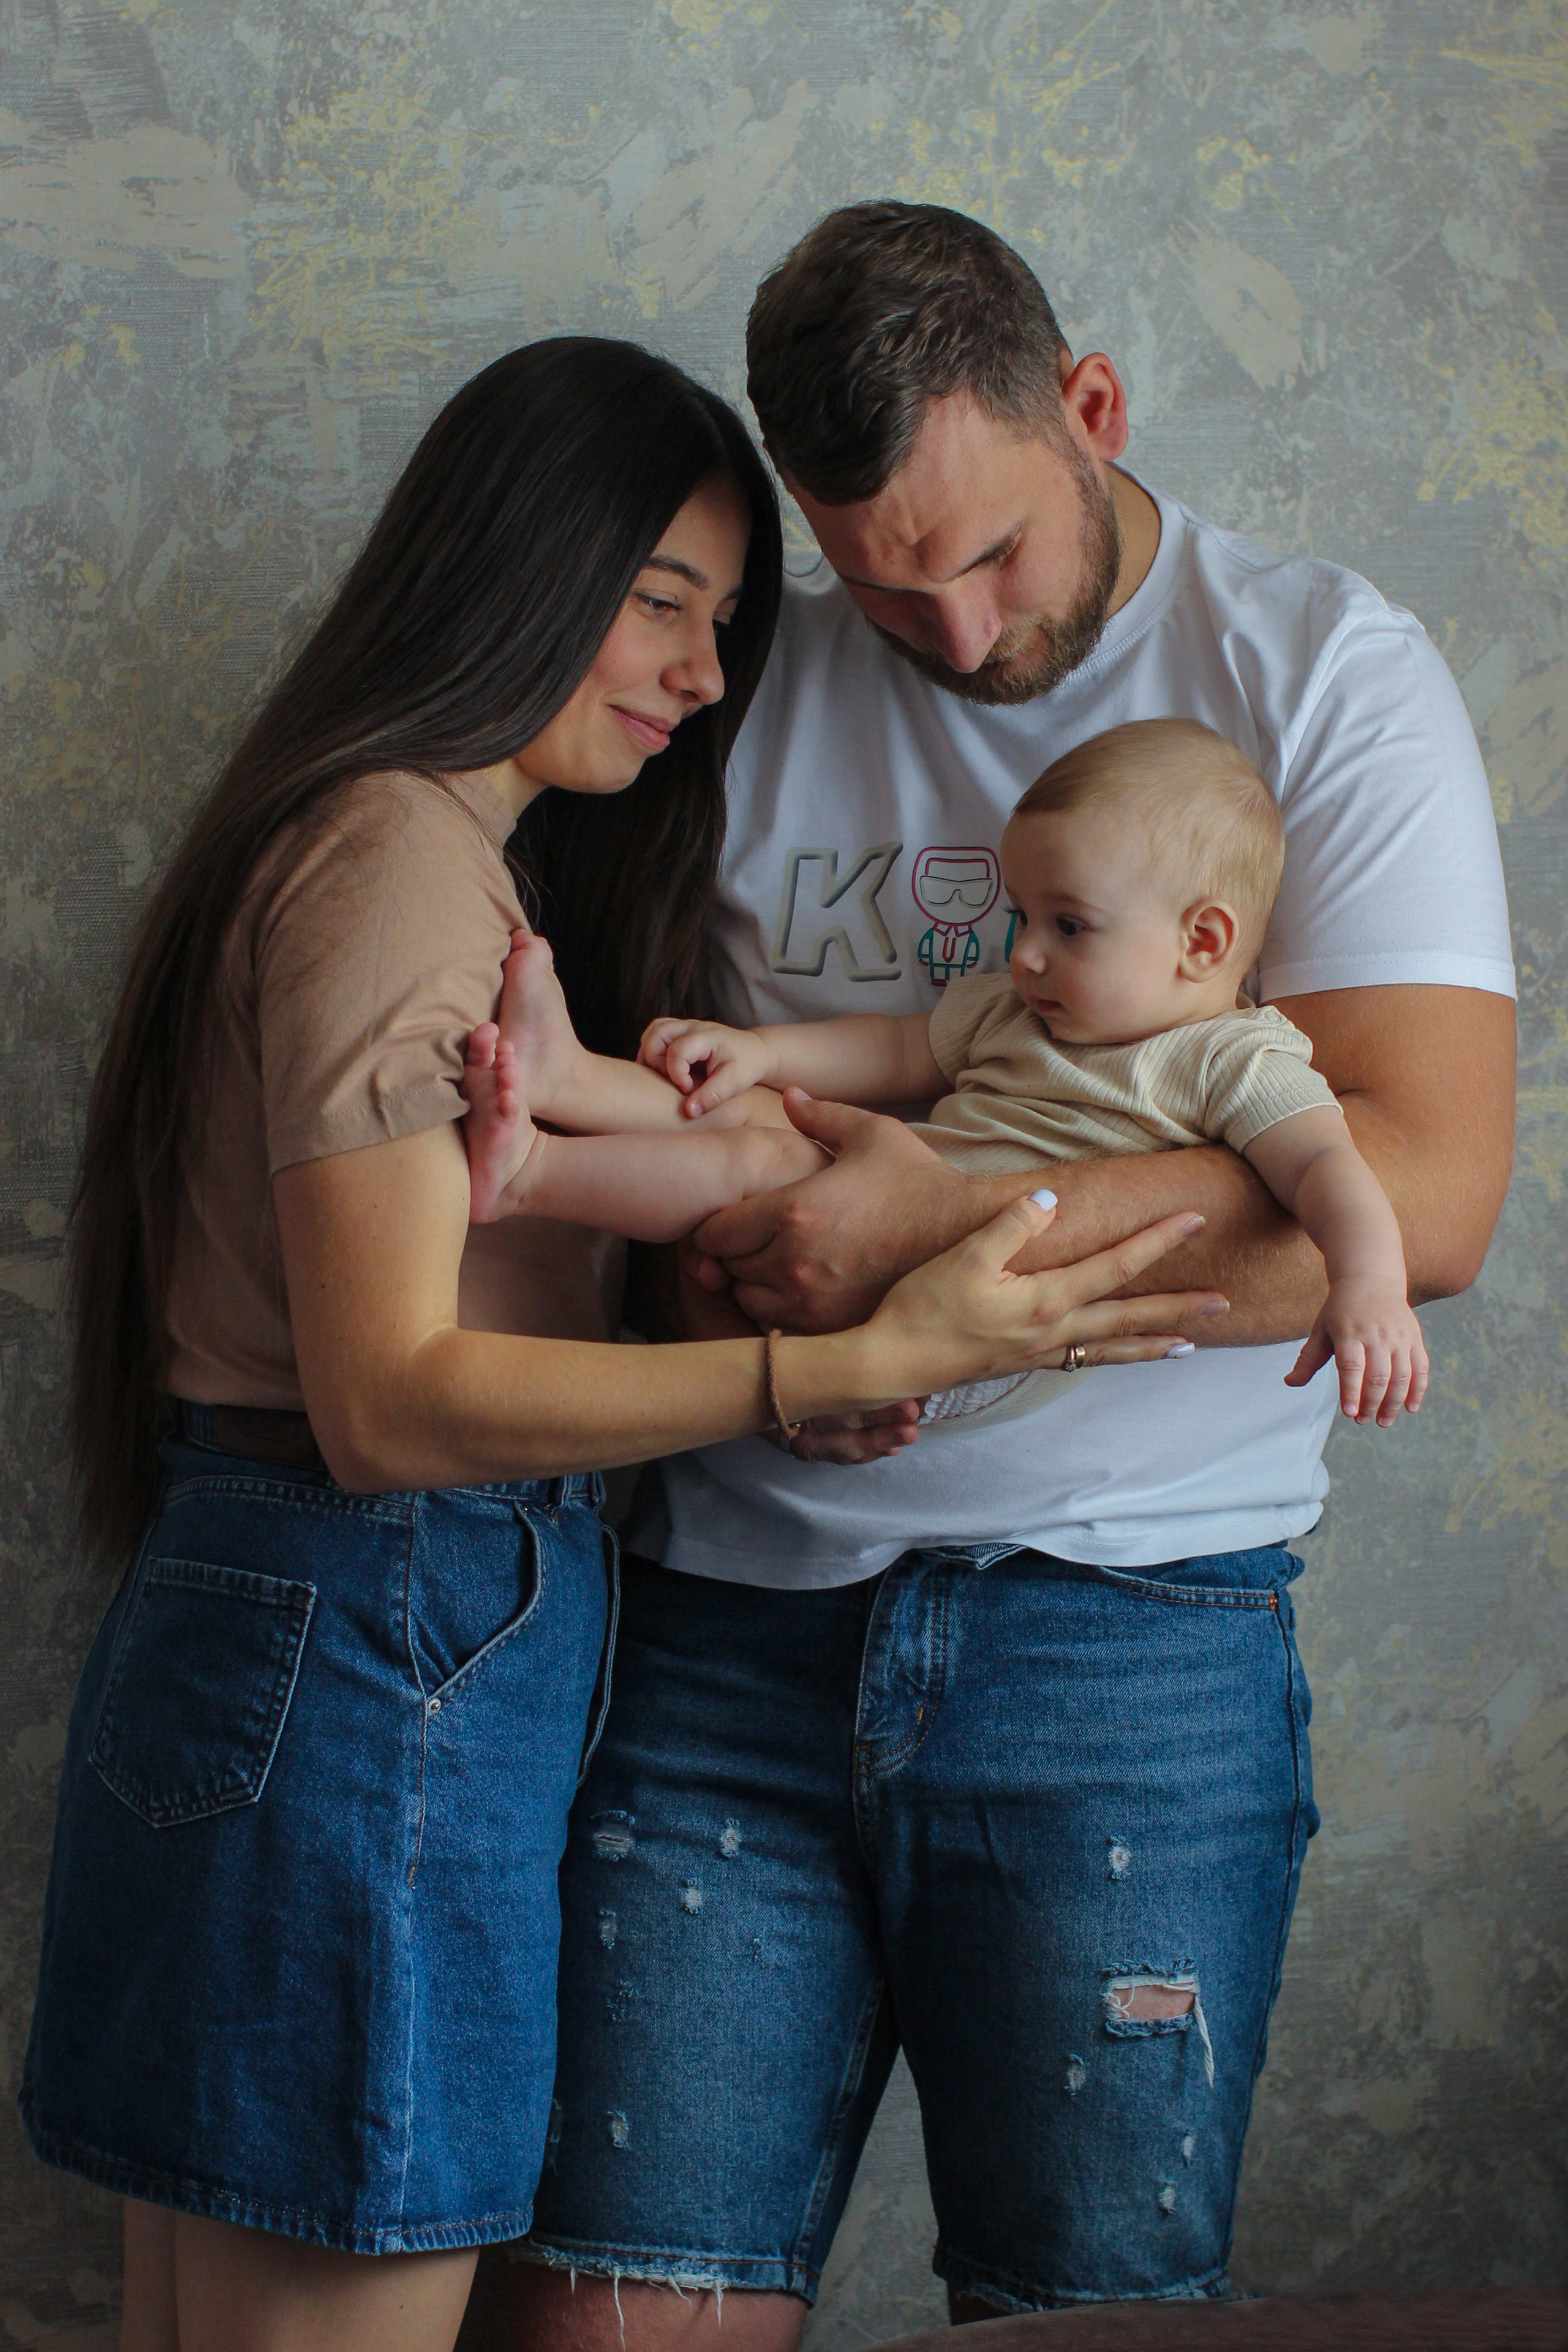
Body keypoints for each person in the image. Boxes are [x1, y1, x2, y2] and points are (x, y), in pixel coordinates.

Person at [21, 335, 1213, 2352]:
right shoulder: (401, 861)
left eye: (726, 623)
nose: (699, 672)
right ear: (509, 559)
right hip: (368, 1636)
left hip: (322, 1638)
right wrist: (804, 1373)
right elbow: (393, 1402)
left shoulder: (421, 862)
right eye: (659, 599)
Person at [489, 207, 1516, 2345]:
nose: (946, 633)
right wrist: (764, 1313)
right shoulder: (735, 676)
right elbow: (689, 1190)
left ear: (1095, 413)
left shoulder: (1318, 675)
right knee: (613, 2319)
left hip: (1128, 1642)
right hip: (723, 1629)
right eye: (879, 577)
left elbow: (1423, 1198)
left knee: (1091, 2318)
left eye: (993, 559)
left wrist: (931, 1236)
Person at [461, 718, 1428, 1431]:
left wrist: (1370, 1281)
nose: (1029, 955)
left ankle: (531, 1178)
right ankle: (571, 1080)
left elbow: (1326, 1171)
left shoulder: (1233, 1057)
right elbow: (889, 1051)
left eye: (1070, 926)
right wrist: (762, 1051)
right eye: (1023, 920)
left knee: (759, 1167)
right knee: (755, 1116)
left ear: (1202, 941)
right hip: (884, 1226)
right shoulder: (1018, 1010)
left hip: (962, 1300)